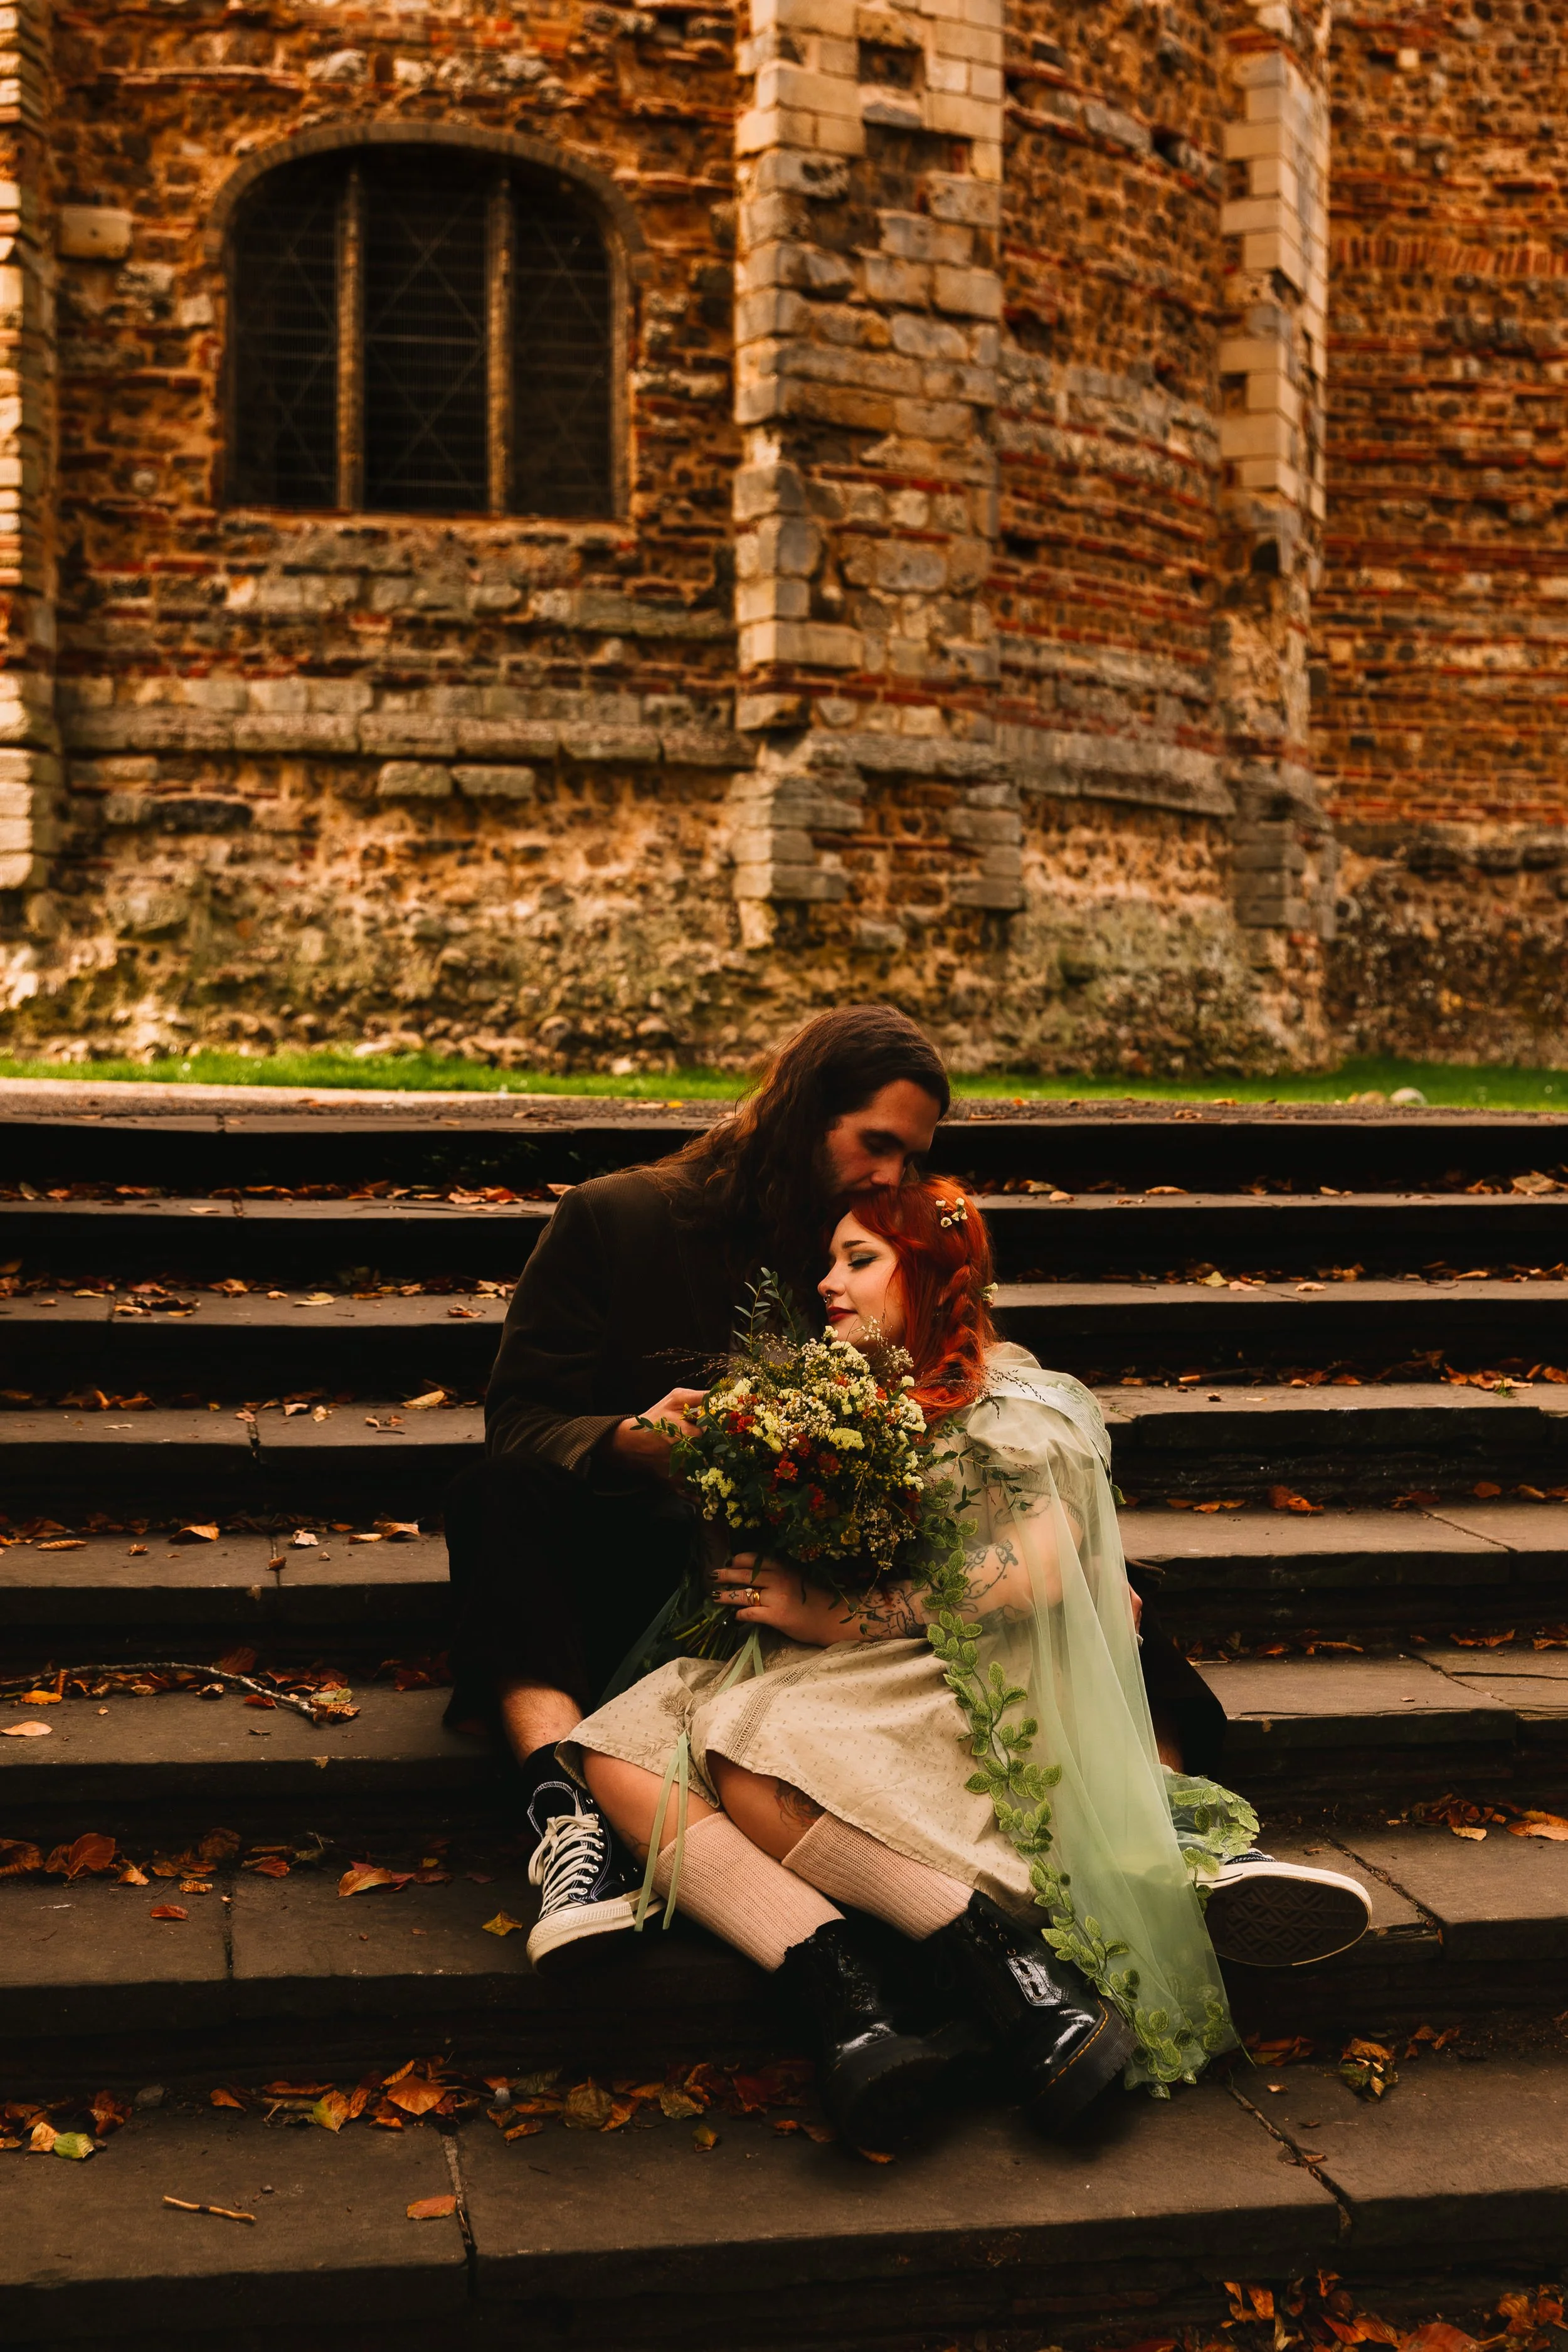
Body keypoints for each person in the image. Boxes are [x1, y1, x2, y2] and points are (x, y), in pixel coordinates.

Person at [564, 1182, 1374, 2149]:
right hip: (843, 1659)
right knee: (622, 1743)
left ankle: (1048, 1963)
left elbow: (1043, 1559)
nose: (828, 1283)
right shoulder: (835, 1400)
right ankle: (849, 2004)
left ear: (937, 1276)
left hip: (954, 1670)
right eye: (829, 1261)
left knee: (749, 1745)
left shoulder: (1004, 1400)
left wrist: (845, 1613)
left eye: (859, 1259)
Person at [442, 1005, 952, 1960]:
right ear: (805, 1112)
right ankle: (567, 1814)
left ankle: (1172, 1814)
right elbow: (519, 1419)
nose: (893, 1177)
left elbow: (959, 1391)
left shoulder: (875, 1243)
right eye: (877, 1144)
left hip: (825, 1580)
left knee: (1049, 1499)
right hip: (642, 1558)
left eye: (912, 1158)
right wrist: (629, 1442)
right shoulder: (616, 1215)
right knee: (492, 1495)